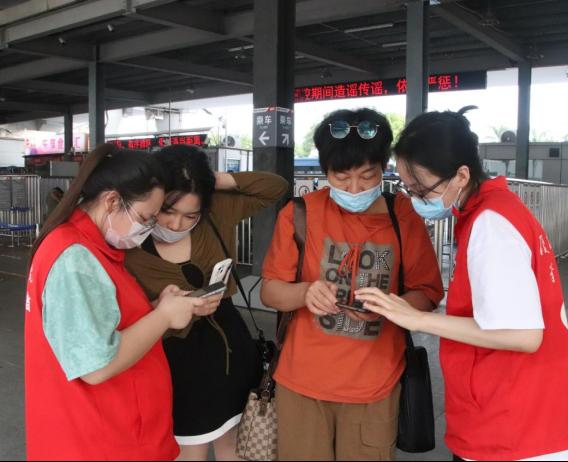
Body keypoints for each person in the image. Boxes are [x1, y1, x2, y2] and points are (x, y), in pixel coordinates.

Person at [356, 108, 568, 461]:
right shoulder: (496, 209)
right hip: (523, 411)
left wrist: (418, 319)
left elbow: (523, 335)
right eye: (407, 188)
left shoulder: (490, 225)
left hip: (511, 423)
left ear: (461, 175)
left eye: (421, 189)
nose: (415, 200)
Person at [260, 108, 445, 461]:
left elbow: (428, 292)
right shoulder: (300, 213)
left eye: (367, 175)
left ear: (384, 168)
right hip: (302, 384)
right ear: (325, 171)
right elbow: (270, 291)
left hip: (375, 386)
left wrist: (391, 306)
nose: (355, 188)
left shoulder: (403, 215)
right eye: (341, 177)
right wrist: (304, 292)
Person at [25, 144, 212, 461]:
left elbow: (97, 324)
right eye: (146, 218)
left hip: (105, 432)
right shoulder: (74, 257)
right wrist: (164, 317)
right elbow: (96, 366)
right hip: (100, 440)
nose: (149, 229)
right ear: (112, 201)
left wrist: (156, 307)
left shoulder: (87, 246)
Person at [125, 144, 288, 461]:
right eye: (167, 211)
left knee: (237, 445)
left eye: (190, 215)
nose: (176, 225)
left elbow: (275, 187)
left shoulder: (218, 212)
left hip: (230, 350)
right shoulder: (128, 239)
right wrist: (160, 310)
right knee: (187, 448)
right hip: (173, 360)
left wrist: (213, 180)